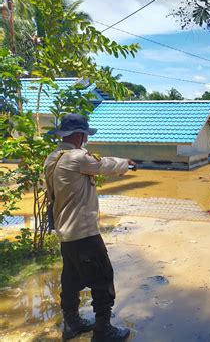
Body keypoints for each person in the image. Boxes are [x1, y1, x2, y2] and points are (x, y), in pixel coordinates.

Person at [44, 114, 137, 341]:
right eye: (85, 135)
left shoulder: (53, 158)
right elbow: (103, 165)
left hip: (65, 232)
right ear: (79, 135)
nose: (86, 139)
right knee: (103, 278)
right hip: (83, 231)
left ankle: (72, 324)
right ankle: (103, 330)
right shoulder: (77, 157)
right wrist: (127, 163)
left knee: (71, 278)